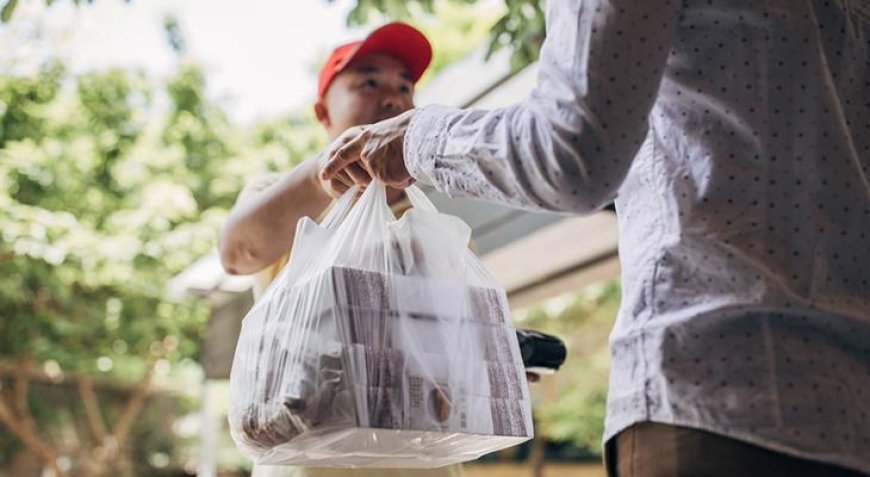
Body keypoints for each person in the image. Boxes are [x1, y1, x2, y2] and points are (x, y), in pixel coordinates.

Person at [320, 1, 870, 476]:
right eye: (368, 81)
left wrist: (417, 138)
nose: (394, 98)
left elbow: (569, 152)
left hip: (720, 390)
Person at [219, 22, 463, 477]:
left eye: (405, 87)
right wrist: (327, 173)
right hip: (308, 462)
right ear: (323, 112)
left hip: (420, 465)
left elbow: (447, 332)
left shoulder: (425, 219)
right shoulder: (281, 193)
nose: (393, 98)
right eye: (369, 81)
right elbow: (238, 252)